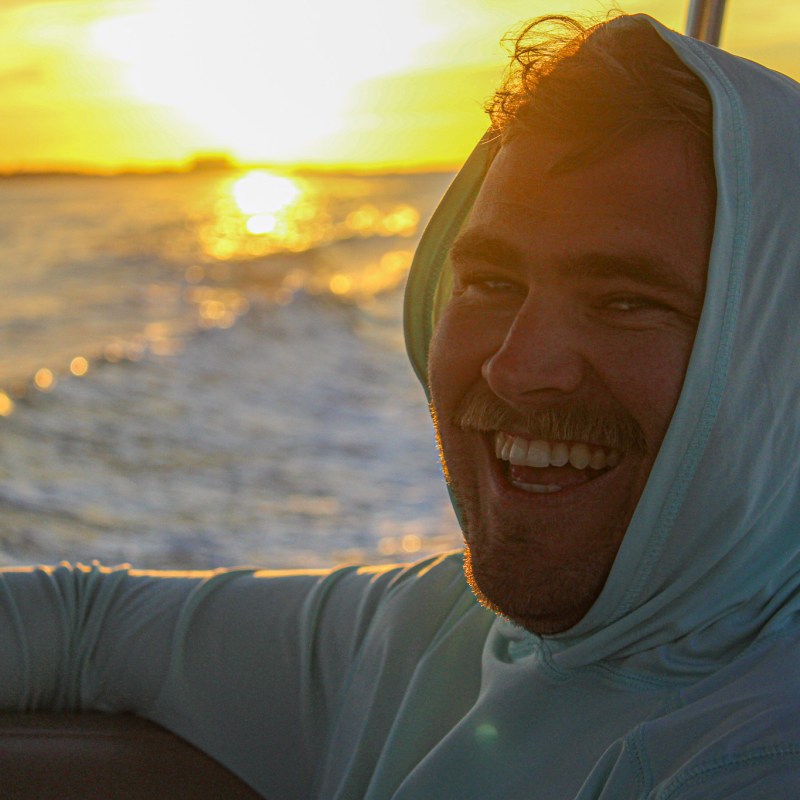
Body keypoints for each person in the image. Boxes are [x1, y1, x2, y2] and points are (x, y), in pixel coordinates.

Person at [2, 11, 800, 798]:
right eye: (491, 283)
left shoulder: (756, 752)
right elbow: (83, 624)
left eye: (627, 301)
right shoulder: (437, 633)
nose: (518, 368)